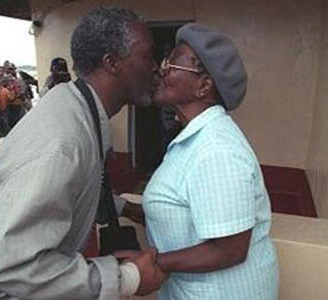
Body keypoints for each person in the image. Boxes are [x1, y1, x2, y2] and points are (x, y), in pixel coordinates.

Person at [0, 7, 165, 299]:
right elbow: (18, 267)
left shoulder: (76, 109)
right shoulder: (61, 142)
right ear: (112, 63)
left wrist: (124, 208)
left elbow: (66, 188)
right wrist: (128, 278)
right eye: (148, 55)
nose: (156, 67)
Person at [119, 23, 279, 299]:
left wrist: (152, 263)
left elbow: (231, 249)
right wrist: (127, 208)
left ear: (204, 86)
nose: (160, 69)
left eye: (171, 63)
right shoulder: (194, 138)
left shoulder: (217, 150)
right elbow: (184, 211)